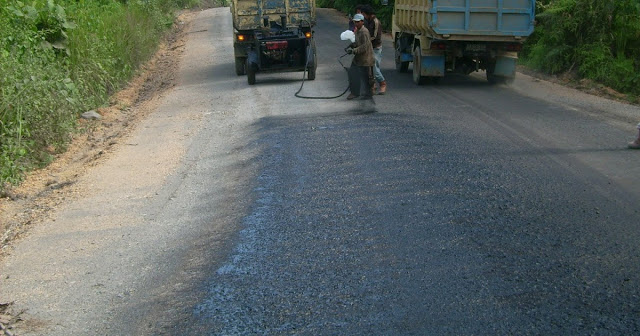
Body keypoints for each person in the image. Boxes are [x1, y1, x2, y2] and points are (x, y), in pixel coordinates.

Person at [346, 13, 375, 100]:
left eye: (358, 22)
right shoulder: (358, 30)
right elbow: (358, 42)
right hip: (358, 58)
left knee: (366, 77)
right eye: (355, 22)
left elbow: (364, 47)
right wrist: (351, 45)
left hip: (365, 59)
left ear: (362, 22)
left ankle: (368, 94)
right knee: (352, 73)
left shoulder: (364, 32)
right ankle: (355, 92)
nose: (356, 23)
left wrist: (354, 50)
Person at [362, 5, 386, 94]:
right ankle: (373, 86)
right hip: (369, 47)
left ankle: (383, 84)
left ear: (367, 13)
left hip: (376, 47)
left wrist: (365, 41)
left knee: (375, 68)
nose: (363, 16)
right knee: (368, 68)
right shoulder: (366, 21)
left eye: (363, 14)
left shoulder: (376, 22)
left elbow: (375, 37)